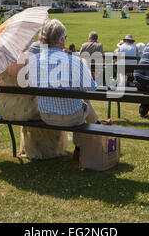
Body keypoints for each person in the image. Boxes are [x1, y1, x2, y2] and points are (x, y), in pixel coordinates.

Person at [27, 19, 100, 158]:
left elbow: (33, 86)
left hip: (46, 115)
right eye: (65, 38)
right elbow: (91, 88)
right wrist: (84, 65)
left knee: (81, 102)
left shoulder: (33, 60)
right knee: (84, 104)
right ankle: (79, 147)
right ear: (61, 39)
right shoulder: (73, 61)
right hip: (71, 117)